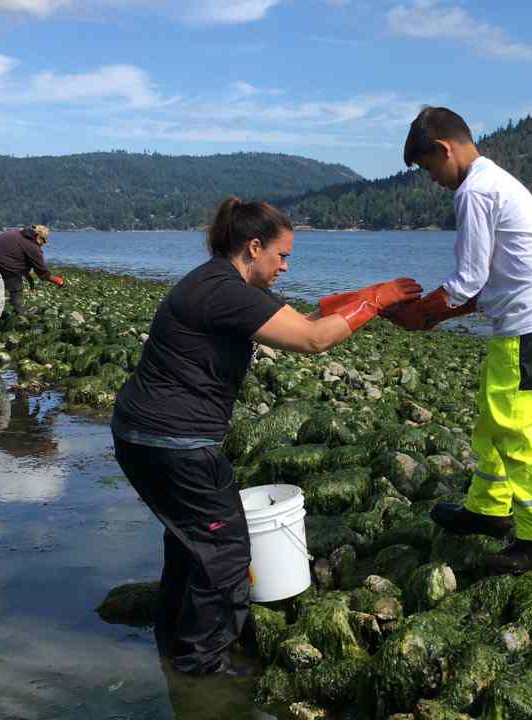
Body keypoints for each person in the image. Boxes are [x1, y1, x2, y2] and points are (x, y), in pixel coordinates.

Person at [110, 197, 421, 676]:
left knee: (189, 542)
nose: (286, 266)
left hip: (144, 434)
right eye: (282, 255)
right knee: (228, 556)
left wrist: (364, 303)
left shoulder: (219, 281)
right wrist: (376, 300)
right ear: (254, 247)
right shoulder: (226, 292)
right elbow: (315, 342)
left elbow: (310, 323)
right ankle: (202, 674)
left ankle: (172, 643)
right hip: (174, 442)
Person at [387, 107, 532, 574]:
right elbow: (495, 277)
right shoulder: (496, 180)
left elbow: (468, 280)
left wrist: (420, 314)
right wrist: (437, 313)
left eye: (429, 168)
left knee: (516, 424)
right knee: (494, 416)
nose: (433, 180)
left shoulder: (474, 191)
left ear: (443, 149)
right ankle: (490, 508)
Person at [0, 224, 64, 349]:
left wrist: (30, 279)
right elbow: (43, 274)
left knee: (16, 282)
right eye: (43, 240)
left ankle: (20, 311)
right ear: (38, 237)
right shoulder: (33, 247)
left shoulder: (20, 234)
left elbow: (17, 261)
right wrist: (58, 281)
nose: (43, 243)